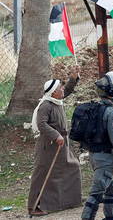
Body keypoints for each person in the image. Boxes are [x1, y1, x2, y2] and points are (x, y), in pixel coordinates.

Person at [28, 66, 82, 216]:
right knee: (43, 173)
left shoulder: (57, 100)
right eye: (60, 88)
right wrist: (56, 135)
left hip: (61, 145)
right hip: (49, 146)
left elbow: (68, 89)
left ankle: (68, 201)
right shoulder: (46, 105)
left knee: (72, 167)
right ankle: (34, 206)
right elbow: (42, 124)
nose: (62, 90)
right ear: (53, 93)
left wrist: (74, 76)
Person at [81, 71, 113, 220]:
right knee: (97, 191)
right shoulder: (110, 112)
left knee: (112, 188)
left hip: (95, 154)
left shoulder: (96, 108)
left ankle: (110, 217)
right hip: (104, 157)